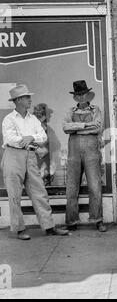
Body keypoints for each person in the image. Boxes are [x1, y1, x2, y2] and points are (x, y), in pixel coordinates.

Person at [1, 84, 69, 240]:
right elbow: (10, 139)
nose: (30, 100)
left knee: (39, 192)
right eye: (26, 97)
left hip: (30, 156)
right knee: (14, 195)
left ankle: (49, 226)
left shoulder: (33, 119)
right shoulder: (9, 119)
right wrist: (27, 139)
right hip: (13, 156)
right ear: (18, 100)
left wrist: (31, 138)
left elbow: (42, 138)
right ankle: (19, 229)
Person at [63, 80, 107, 232]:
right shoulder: (70, 111)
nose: (81, 97)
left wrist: (76, 129)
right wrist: (86, 126)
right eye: (78, 95)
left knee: (95, 186)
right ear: (75, 97)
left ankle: (97, 219)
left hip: (92, 153)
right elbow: (65, 127)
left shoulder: (96, 110)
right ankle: (71, 221)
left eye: (83, 94)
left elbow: (98, 128)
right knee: (71, 188)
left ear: (88, 95)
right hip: (73, 154)